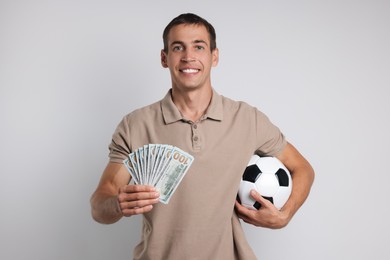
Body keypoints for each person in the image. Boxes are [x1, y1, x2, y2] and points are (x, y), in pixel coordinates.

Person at [90, 13, 315, 260]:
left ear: (214, 56)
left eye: (199, 46)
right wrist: (116, 204)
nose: (189, 56)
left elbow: (302, 168)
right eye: (178, 47)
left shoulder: (247, 119)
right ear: (164, 58)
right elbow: (101, 202)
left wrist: (285, 215)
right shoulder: (135, 125)